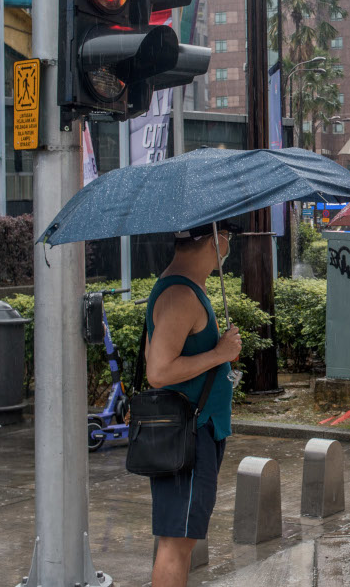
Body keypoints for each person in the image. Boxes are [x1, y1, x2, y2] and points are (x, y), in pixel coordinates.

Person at [145, 223, 242, 587]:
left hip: (195, 431)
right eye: (228, 235)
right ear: (215, 240)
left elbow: (158, 354)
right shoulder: (180, 295)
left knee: (180, 538)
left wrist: (217, 354)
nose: (230, 244)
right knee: (177, 542)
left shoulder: (186, 288)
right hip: (189, 435)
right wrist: (218, 353)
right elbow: (158, 370)